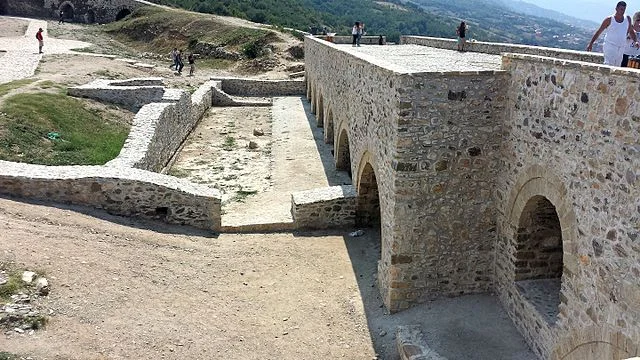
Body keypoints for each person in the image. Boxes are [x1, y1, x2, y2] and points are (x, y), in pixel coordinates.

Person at [587, 1, 638, 66]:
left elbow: (631, 31)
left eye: (624, 10)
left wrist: (635, 41)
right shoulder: (609, 19)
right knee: (608, 65)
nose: (622, 11)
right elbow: (599, 31)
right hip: (610, 46)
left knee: (617, 67)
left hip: (621, 47)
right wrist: (591, 43)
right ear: (616, 9)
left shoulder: (627, 19)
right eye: (621, 9)